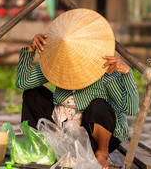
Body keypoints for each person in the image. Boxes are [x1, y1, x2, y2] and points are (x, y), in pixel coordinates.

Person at [15, 9, 139, 169]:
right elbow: (23, 82)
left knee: (99, 105)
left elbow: (130, 108)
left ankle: (101, 154)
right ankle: (39, 146)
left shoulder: (105, 70)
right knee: (32, 94)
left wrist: (127, 73)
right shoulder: (56, 64)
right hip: (63, 130)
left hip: (94, 136)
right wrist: (30, 50)